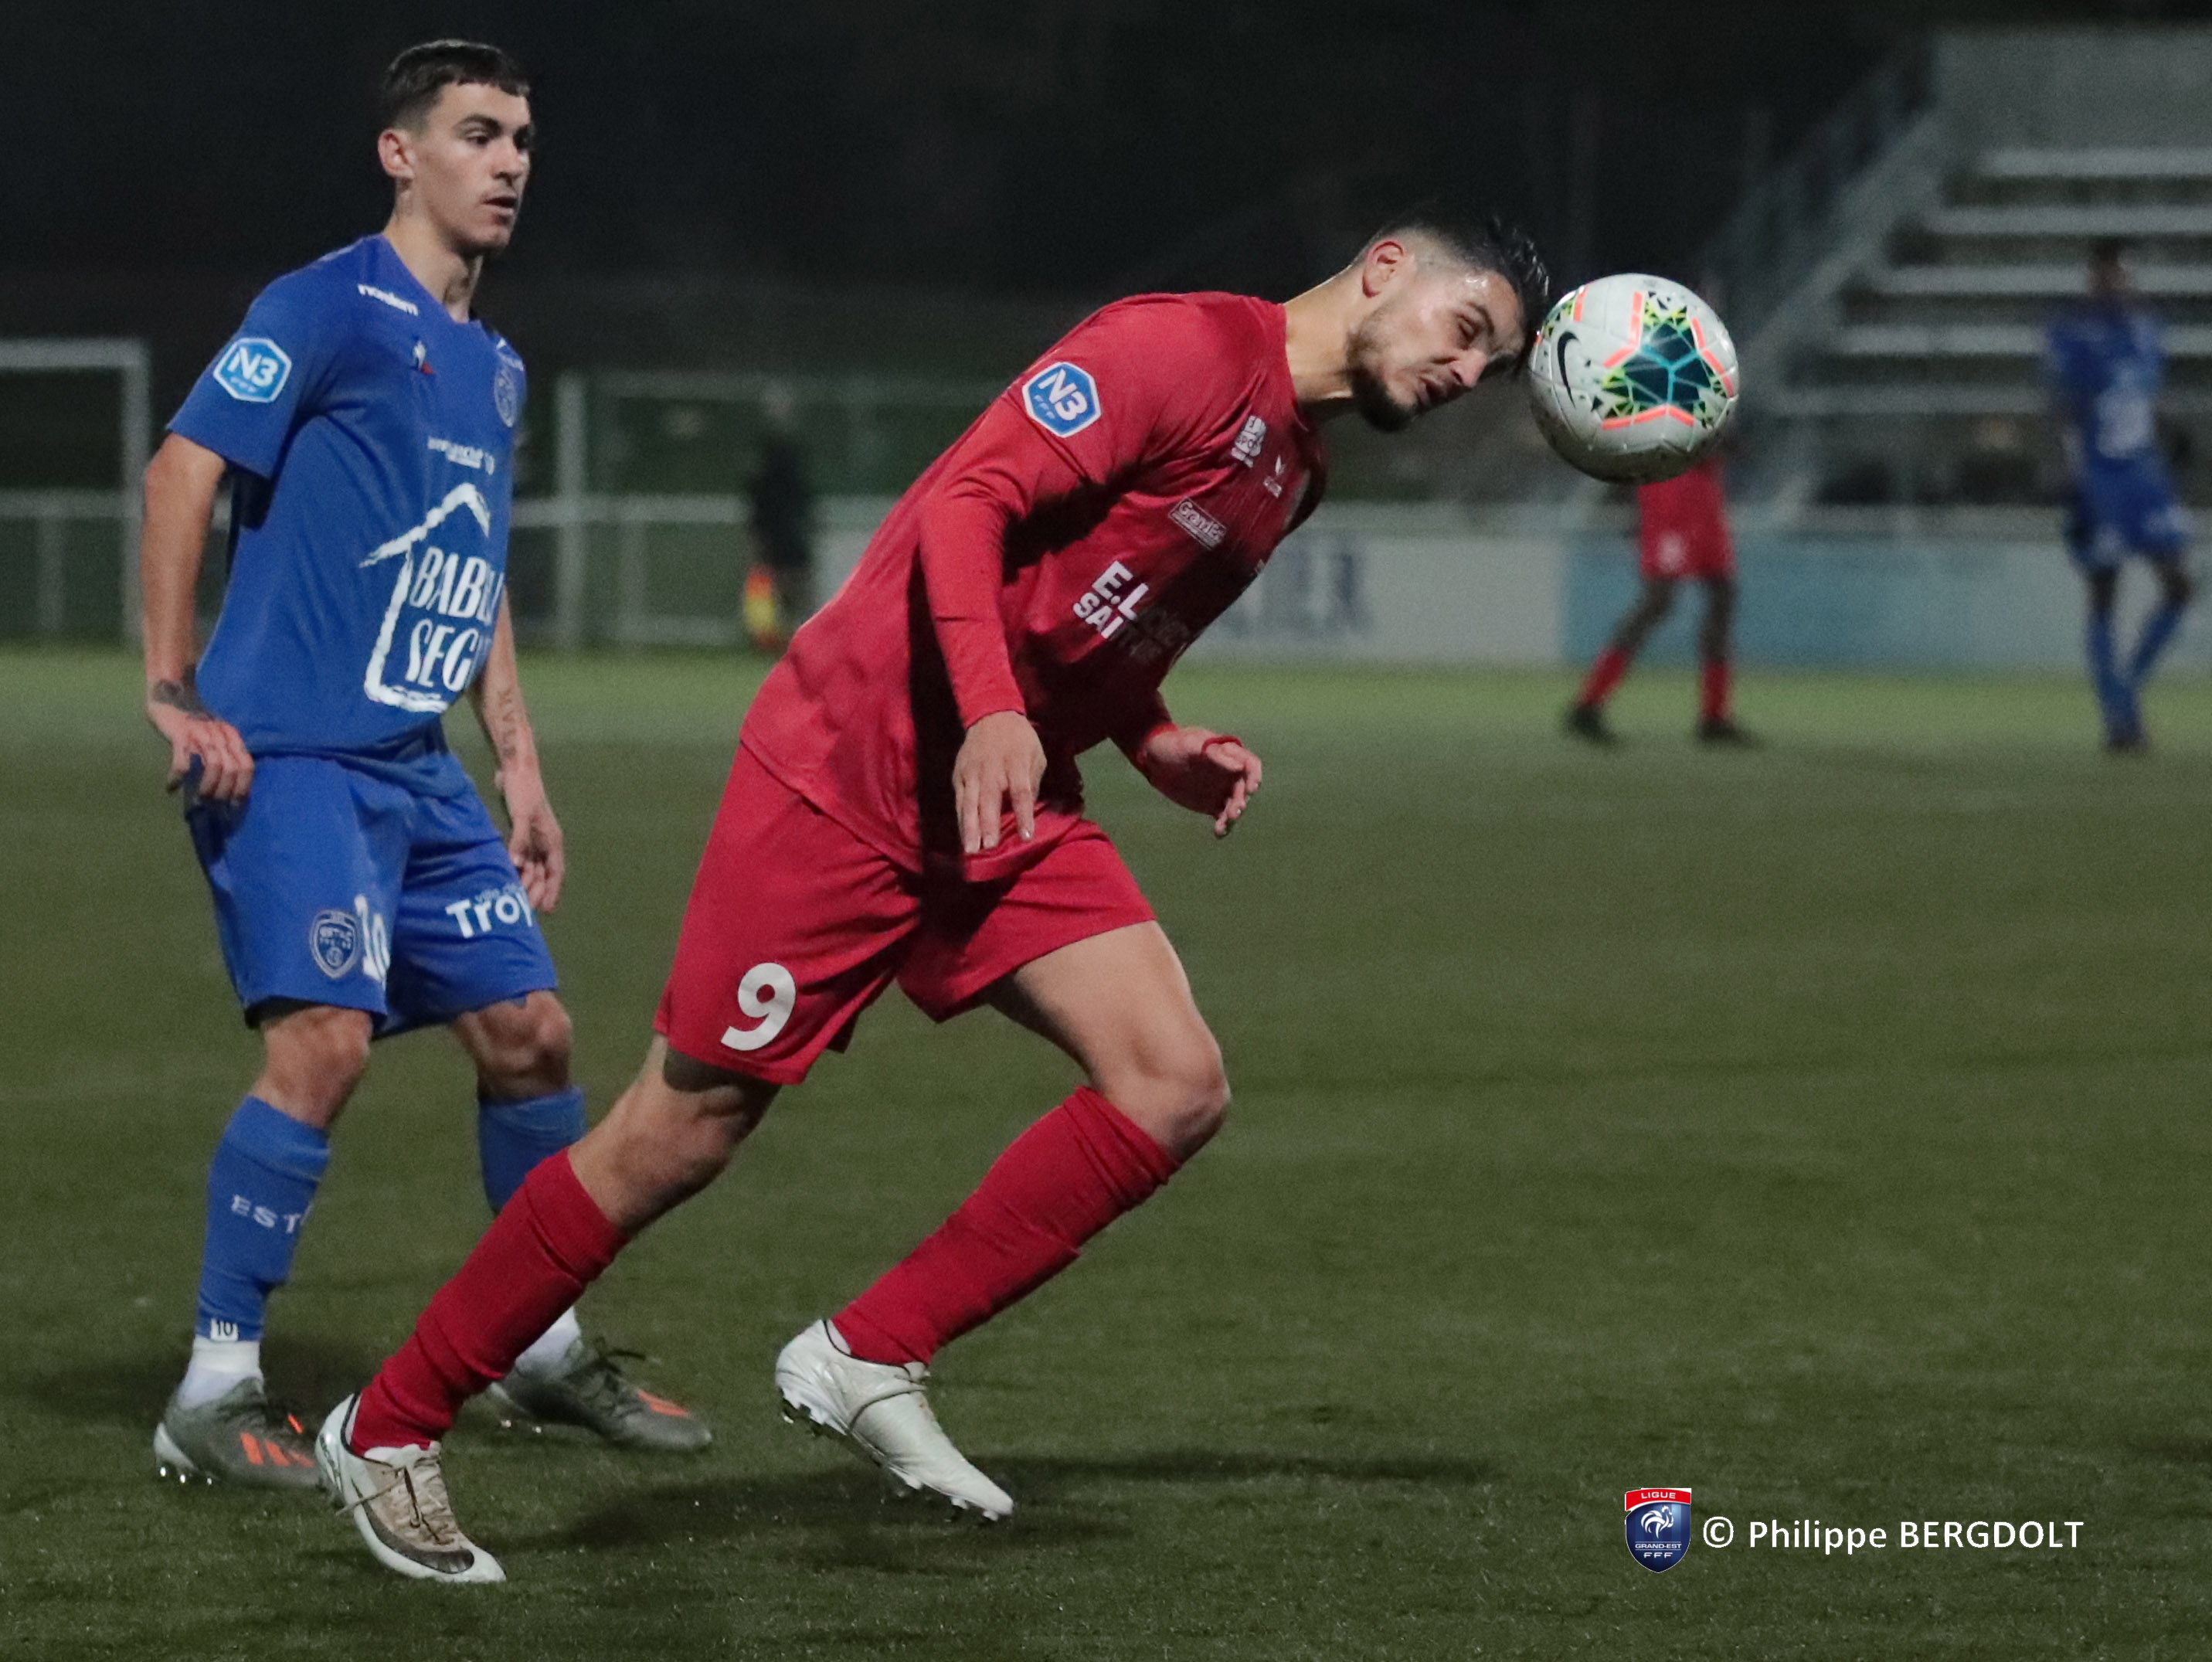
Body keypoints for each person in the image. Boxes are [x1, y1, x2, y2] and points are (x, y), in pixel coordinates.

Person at [312, 205, 1550, 1584]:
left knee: (1171, 1081)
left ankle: (867, 1353)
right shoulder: (1177, 350)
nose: (1464, 373)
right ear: (1383, 269)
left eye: (1490, 365)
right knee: (679, 1134)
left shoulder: (1293, 468)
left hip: (999, 794)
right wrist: (991, 711)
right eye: (1464, 330)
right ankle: (388, 1424)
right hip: (852, 765)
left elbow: (1101, 622)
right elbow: (970, 504)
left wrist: (1152, 741)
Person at [140, 40, 706, 1489]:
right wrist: (172, 686)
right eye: (476, 133)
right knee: (321, 1046)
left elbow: (473, 565)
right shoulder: (323, 306)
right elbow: (182, 468)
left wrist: (518, 765)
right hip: (290, 757)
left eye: (520, 138)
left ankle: (537, 1340)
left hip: (416, 765)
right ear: (401, 154)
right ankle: (211, 1386)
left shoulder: (493, 367)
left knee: (533, 1034)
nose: (508, 162)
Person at [2047, 239, 2194, 752]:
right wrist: (2069, 473)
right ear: (2091, 279)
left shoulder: (2147, 328)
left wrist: (2171, 435)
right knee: (2104, 588)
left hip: (2144, 474)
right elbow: (2061, 408)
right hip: (2098, 478)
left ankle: (2126, 690)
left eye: (2120, 275)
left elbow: (2147, 394)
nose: (2113, 284)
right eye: (2104, 275)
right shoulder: (2072, 332)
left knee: (2179, 585)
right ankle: (2118, 717)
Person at [1565, 450, 1750, 745]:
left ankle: (1715, 716)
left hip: (1704, 492)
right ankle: (1588, 704)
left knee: (1722, 596)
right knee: (1658, 601)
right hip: (1672, 490)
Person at [742, 397, 819, 651]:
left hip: (772, 540)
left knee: (769, 587)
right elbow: (807, 504)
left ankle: (768, 638)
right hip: (790, 539)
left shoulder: (760, 483)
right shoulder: (792, 479)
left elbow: (755, 515)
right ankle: (804, 634)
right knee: (795, 588)